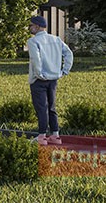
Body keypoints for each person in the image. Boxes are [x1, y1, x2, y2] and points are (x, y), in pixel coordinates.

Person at [27, 14, 73, 145]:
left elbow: (35, 59)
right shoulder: (56, 39)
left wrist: (39, 74)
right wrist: (65, 70)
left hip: (39, 79)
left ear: (37, 26)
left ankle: (42, 136)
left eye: (31, 25)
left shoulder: (33, 41)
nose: (29, 28)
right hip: (53, 78)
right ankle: (55, 135)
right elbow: (69, 53)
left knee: (41, 107)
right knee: (52, 107)